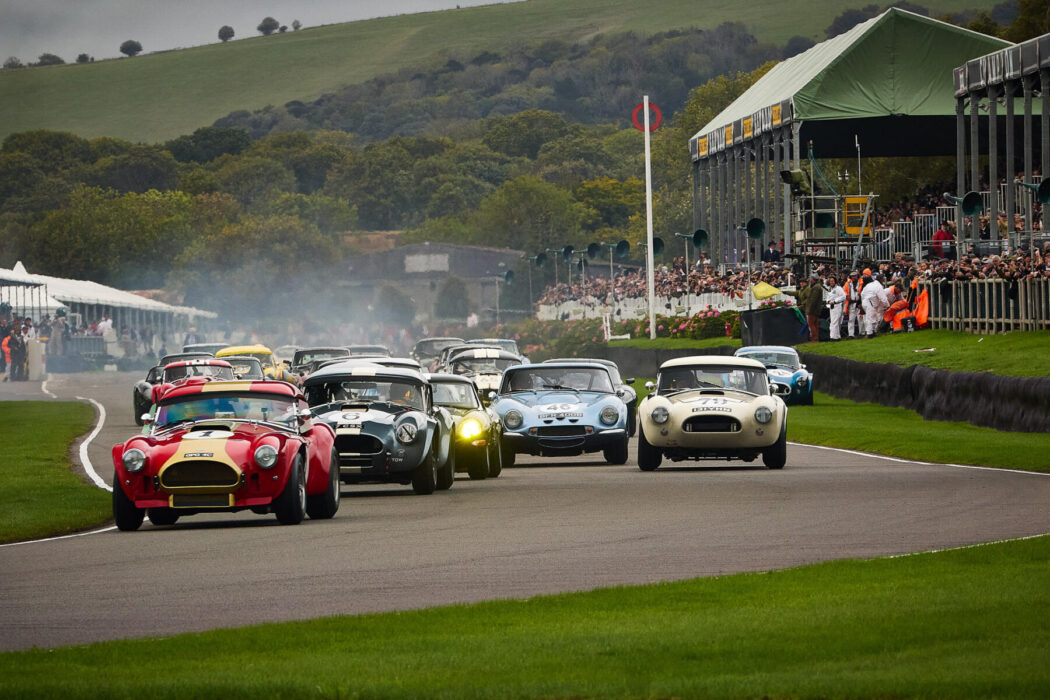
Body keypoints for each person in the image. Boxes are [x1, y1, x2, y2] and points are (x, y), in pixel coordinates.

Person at [860, 273, 885, 338]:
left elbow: (862, 294)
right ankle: (870, 333)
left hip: (867, 302)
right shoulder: (877, 286)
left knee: (873, 318)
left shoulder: (869, 285)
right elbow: (882, 297)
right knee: (870, 318)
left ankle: (872, 331)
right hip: (869, 302)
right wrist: (887, 305)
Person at [843, 269, 865, 339]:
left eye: (855, 276)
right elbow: (844, 291)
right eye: (852, 276)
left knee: (860, 318)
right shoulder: (847, 283)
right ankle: (851, 335)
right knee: (851, 319)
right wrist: (847, 296)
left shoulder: (861, 282)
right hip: (851, 303)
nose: (854, 277)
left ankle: (862, 333)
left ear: (857, 276)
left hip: (859, 303)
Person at [825, 275, 846, 341]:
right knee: (833, 322)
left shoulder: (838, 288)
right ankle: (837, 336)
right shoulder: (830, 289)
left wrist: (835, 301)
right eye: (830, 281)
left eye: (832, 281)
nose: (831, 282)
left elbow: (843, 297)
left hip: (837, 306)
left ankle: (833, 337)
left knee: (835, 322)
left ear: (835, 281)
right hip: (831, 307)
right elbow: (827, 298)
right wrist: (828, 301)